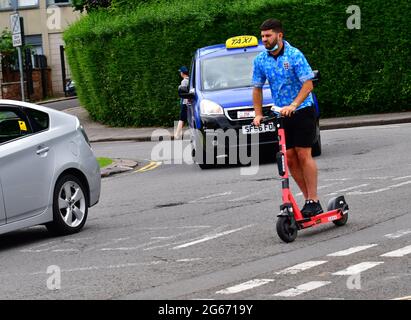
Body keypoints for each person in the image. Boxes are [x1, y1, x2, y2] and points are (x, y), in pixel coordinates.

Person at [252, 18, 323, 217]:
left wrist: (293, 105)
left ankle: (313, 199)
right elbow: (257, 88)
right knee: (290, 158)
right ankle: (308, 199)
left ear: (279, 35)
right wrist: (258, 114)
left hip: (302, 110)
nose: (264, 39)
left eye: (268, 35)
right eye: (263, 36)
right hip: (280, 114)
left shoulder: (294, 55)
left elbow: (308, 85)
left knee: (303, 153)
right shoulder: (260, 60)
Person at [175, 66, 189, 139]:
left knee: (181, 119)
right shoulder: (191, 80)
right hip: (189, 102)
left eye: (180, 72)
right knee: (184, 119)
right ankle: (178, 133)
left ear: (183, 73)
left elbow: (183, 92)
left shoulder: (184, 81)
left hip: (185, 103)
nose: (180, 73)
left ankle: (177, 134)